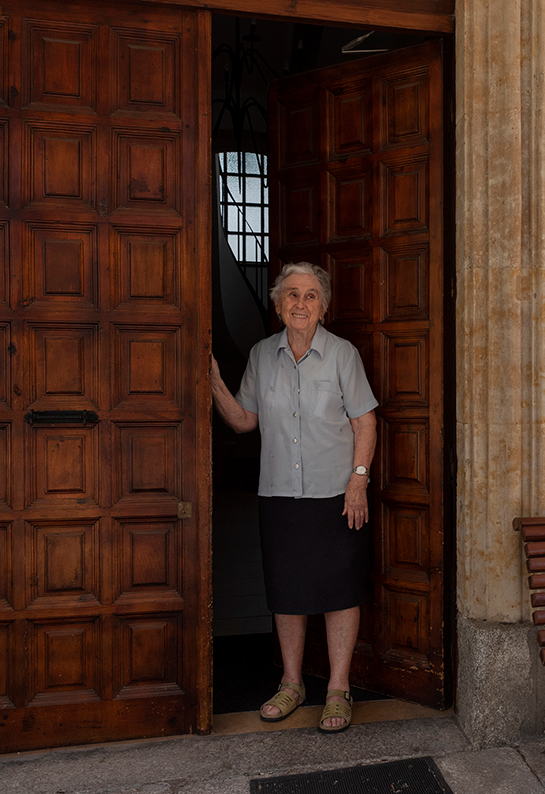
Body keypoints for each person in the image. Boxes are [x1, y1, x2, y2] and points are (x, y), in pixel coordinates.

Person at [210, 262, 377, 734]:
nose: (300, 304)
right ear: (278, 303)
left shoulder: (343, 355)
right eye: (291, 295)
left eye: (309, 296)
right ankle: (291, 684)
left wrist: (358, 480)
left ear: (323, 306)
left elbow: (365, 422)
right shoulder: (263, 355)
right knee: (286, 591)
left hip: (337, 495)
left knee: (339, 591)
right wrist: (212, 381)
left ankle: (338, 689)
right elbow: (245, 420)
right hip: (280, 492)